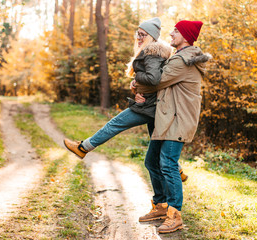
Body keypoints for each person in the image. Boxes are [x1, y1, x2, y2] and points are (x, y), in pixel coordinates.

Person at [63, 17, 188, 182]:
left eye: (143, 34)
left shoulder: (152, 52)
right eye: (139, 34)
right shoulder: (153, 52)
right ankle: (177, 171)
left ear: (151, 37)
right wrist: (136, 85)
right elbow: (153, 80)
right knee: (157, 141)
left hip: (149, 106)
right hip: (153, 104)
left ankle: (83, 147)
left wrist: (138, 78)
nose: (139, 37)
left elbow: (153, 78)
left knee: (115, 124)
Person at [136, 20, 211, 234]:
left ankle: (174, 214)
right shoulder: (180, 56)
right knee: (152, 161)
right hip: (168, 119)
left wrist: (135, 83)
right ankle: (160, 206)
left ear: (186, 36)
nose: (170, 33)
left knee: (167, 164)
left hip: (178, 120)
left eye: (176, 31)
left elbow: (157, 81)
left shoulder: (183, 60)